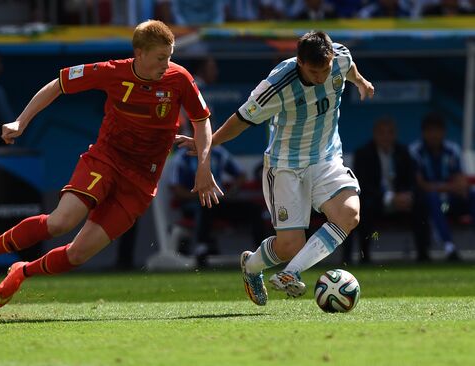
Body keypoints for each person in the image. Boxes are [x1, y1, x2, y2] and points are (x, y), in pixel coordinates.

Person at [0, 20, 222, 308]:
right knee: (60, 222)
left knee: (77, 255)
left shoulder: (179, 79)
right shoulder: (112, 71)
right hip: (105, 159)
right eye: (160, 58)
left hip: (141, 182)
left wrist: (204, 166)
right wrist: (21, 120)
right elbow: (58, 85)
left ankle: (22, 272)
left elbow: (201, 121)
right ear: (139, 54)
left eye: (170, 56)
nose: (167, 64)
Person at [177, 30, 374, 305]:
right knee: (290, 246)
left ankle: (290, 273)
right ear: (300, 62)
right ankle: (252, 266)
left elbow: (348, 67)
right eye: (315, 72)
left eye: (326, 69)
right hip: (285, 167)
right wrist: (205, 146)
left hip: (325, 159)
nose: (321, 77)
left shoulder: (338, 58)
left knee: (350, 214)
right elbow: (240, 121)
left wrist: (361, 81)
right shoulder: (277, 85)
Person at [344, 116, 431, 263]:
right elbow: (362, 185)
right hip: (377, 201)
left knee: (422, 204)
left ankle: (423, 254)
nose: (386, 136)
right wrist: (389, 198)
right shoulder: (363, 153)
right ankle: (364, 256)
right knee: (360, 208)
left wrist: (406, 195)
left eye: (389, 132)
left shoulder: (403, 152)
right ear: (375, 134)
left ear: (395, 134)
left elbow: (411, 180)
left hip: (401, 201)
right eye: (382, 133)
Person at [169, 145, 266, 264]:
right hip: (193, 203)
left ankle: (262, 252)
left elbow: (241, 175)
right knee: (206, 204)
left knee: (254, 209)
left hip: (218, 202)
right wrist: (201, 195)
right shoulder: (182, 157)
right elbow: (177, 190)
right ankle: (202, 247)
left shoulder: (218, 152)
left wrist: (231, 191)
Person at [409, 112, 475, 261]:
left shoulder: (452, 150)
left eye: (437, 130)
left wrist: (458, 187)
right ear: (424, 133)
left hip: (450, 201)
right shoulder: (415, 151)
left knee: (472, 194)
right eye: (430, 131)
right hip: (429, 202)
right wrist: (450, 187)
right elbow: (422, 185)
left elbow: (461, 180)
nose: (434, 135)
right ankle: (449, 246)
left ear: (443, 132)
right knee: (432, 198)